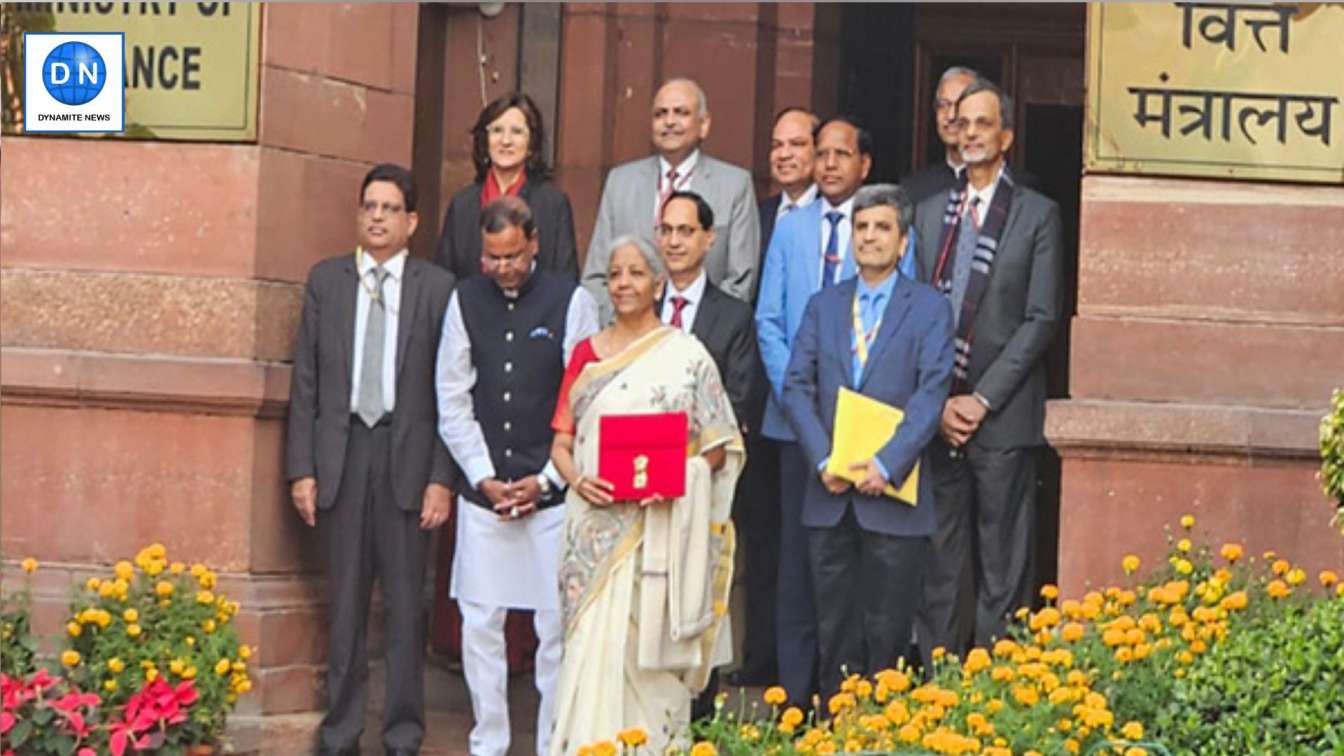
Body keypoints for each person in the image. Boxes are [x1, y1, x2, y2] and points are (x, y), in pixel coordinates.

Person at [548, 236, 745, 754]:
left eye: (636, 273)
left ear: (658, 283)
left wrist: (674, 475)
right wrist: (577, 479)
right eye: (615, 274)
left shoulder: (687, 355)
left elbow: (721, 445)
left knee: (645, 659)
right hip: (592, 530)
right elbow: (562, 443)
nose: (623, 284)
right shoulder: (586, 356)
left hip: (658, 536)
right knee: (591, 651)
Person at [286, 164, 456, 756]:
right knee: (346, 605)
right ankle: (341, 732)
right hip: (342, 455)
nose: (377, 217)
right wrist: (302, 468)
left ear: (412, 220)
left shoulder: (438, 289)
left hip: (407, 460)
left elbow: (450, 391)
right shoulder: (326, 282)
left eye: (389, 208)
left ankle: (403, 734)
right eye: (369, 207)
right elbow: (305, 382)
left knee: (408, 609)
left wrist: (442, 478)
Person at [434, 197, 599, 756]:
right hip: (485, 493)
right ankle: (490, 741)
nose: (501, 268)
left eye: (511, 256)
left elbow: (585, 399)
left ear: (533, 244)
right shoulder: (464, 299)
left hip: (549, 494)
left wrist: (549, 478)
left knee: (555, 627)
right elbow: (451, 396)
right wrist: (482, 476)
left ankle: (553, 742)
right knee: (480, 624)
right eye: (491, 258)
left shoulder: (572, 300)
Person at [781, 184, 953, 697]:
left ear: (904, 243)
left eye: (882, 228)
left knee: (888, 637)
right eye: (861, 228)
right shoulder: (823, 305)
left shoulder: (928, 308)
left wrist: (887, 462)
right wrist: (822, 461)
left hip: (893, 500)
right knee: (834, 635)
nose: (870, 237)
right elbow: (796, 387)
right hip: (830, 494)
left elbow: (932, 391)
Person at [913, 78, 1064, 659]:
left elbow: (1041, 318)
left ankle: (997, 692)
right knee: (939, 562)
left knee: (1004, 563)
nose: (969, 131)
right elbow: (919, 314)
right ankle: (934, 691)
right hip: (937, 416)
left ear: (1006, 136)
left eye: (983, 123)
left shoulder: (1037, 214)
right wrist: (941, 401)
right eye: (961, 121)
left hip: (1001, 417)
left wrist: (982, 399)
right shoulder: (929, 214)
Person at [754, 115, 871, 708]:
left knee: (850, 564)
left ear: (863, 165)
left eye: (839, 154)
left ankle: (844, 699)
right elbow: (768, 321)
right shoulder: (790, 228)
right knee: (797, 567)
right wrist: (799, 401)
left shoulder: (882, 227)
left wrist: (846, 407)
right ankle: (794, 703)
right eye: (820, 154)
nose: (827, 164)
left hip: (861, 427)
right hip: (794, 428)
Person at [655, 190, 763, 717]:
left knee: (698, 615)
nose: (675, 241)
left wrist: (688, 462)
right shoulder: (638, 308)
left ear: (708, 238)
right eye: (667, 231)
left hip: (702, 491)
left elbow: (739, 407)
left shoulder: (733, 317)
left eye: (685, 231)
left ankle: (696, 731)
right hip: (643, 495)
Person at [582, 78, 760, 321]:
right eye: (660, 114)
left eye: (681, 113)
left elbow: (741, 280)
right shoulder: (620, 183)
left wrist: (694, 334)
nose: (669, 121)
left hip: (703, 345)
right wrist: (627, 327)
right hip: (629, 341)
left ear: (704, 124)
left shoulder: (735, 185)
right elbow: (595, 277)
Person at [437, 92, 578, 281]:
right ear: (485, 141)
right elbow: (444, 279)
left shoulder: (553, 204)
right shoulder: (462, 205)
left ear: (531, 145)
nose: (505, 141)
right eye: (497, 131)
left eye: (517, 132)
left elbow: (565, 279)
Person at [901, 67, 978, 205]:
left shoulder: (1012, 188)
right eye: (944, 105)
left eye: (961, 104)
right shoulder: (913, 189)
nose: (951, 116)